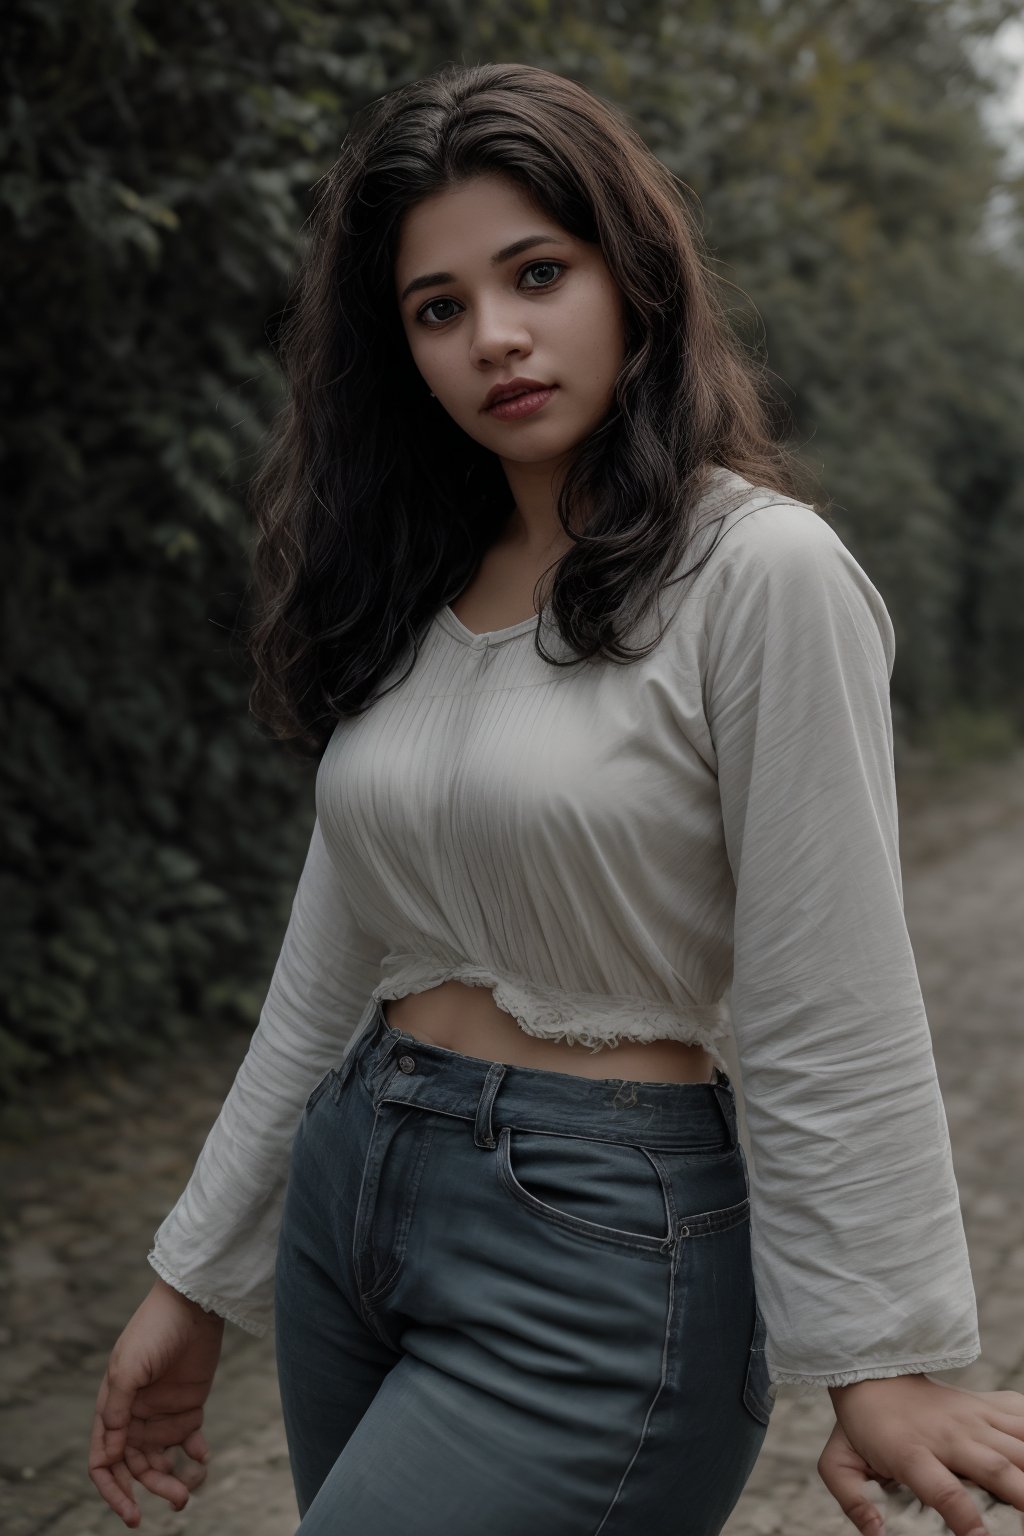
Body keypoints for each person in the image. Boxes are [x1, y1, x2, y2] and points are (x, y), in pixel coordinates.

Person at [88, 61, 1023, 1536]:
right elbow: (331, 963)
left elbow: (826, 984)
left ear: (635, 277)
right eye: (437, 308)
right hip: (353, 1203)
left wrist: (879, 1358)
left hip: (597, 1243)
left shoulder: (760, 575)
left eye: (538, 273)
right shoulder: (415, 594)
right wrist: (193, 1274)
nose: (495, 340)